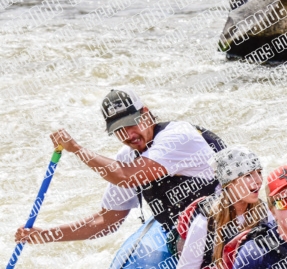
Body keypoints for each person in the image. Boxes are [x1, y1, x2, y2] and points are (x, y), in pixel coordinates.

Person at [16, 89, 222, 247]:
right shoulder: (126, 158)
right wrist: (46, 235)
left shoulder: (177, 136)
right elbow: (107, 220)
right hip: (189, 233)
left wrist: (78, 149)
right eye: (119, 129)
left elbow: (128, 177)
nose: (128, 135)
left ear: (146, 114)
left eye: (132, 124)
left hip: (225, 225)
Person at [170, 146, 267, 269]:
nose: (257, 181)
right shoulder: (205, 223)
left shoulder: (264, 213)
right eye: (248, 175)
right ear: (229, 183)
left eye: (259, 172)